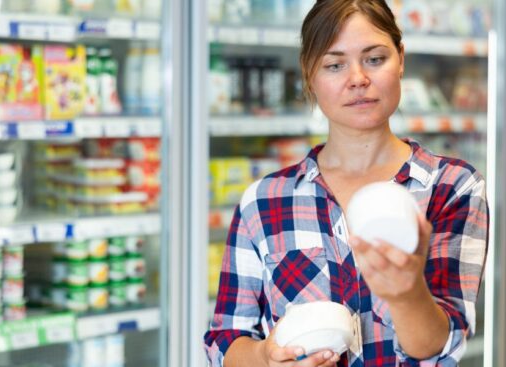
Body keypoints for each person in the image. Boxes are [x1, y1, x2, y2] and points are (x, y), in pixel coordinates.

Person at [204, 1, 489, 366]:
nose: (357, 78)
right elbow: (225, 341)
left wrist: (406, 294)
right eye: (334, 65)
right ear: (309, 75)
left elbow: (441, 347)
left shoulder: (452, 187)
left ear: (401, 59)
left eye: (374, 59)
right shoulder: (263, 201)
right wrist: (265, 357)